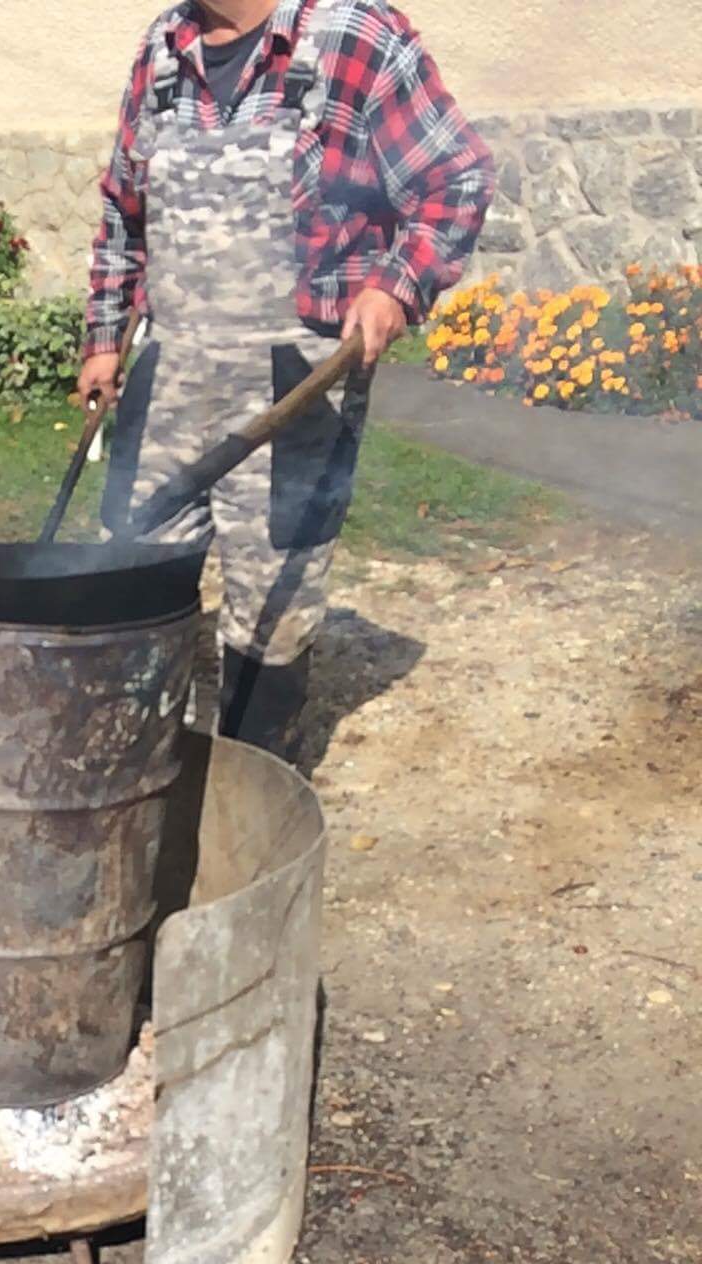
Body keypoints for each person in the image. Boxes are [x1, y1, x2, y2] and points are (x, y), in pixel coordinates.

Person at [84, 0, 493, 758]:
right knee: (130, 575)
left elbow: (455, 179)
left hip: (294, 387)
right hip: (168, 377)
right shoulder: (162, 48)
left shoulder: (353, 38)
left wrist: (395, 286)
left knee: (271, 609)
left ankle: (255, 788)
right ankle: (139, 775)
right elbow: (122, 210)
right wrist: (106, 339)